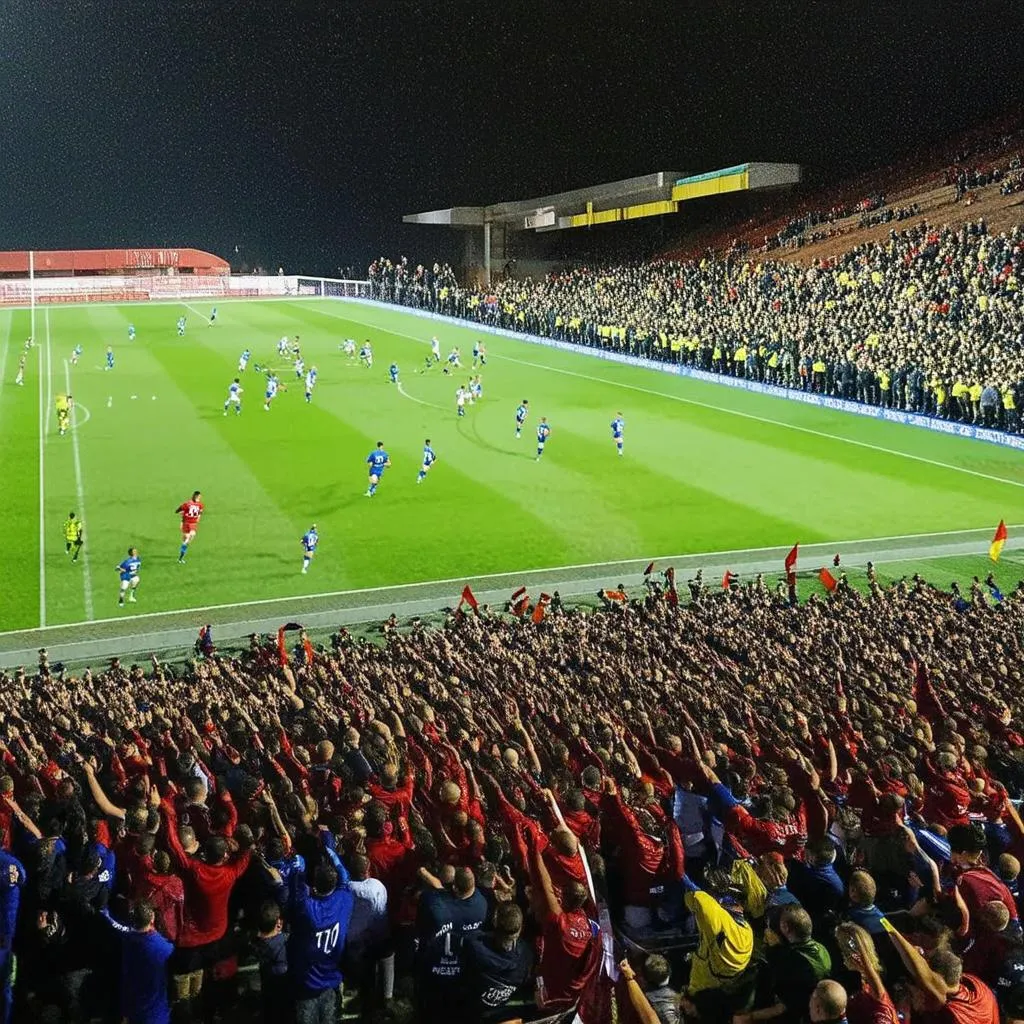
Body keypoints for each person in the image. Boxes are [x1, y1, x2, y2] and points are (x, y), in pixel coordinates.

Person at [415, 865, 488, 1020]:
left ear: (454, 887)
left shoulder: (435, 904)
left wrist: (426, 875)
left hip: (435, 969)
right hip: (464, 969)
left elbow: (434, 897)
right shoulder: (481, 903)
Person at [288, 863, 355, 1024]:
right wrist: (336, 860)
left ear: (315, 884)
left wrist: (298, 873)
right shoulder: (345, 899)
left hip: (308, 981)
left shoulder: (308, 908)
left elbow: (295, 897)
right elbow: (345, 879)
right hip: (332, 977)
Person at [460, 902, 533, 1023]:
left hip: (473, 1011)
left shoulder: (475, 946)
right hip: (502, 1010)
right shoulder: (526, 955)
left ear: (494, 923)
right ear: (520, 929)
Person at [112, 899, 175, 1024]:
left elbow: (126, 981)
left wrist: (124, 1013)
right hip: (157, 1012)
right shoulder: (166, 948)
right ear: (152, 919)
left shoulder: (127, 943)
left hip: (135, 1010)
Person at [175, 490, 204, 564]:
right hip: (186, 523)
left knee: (190, 536)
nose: (200, 497)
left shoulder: (199, 504)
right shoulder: (188, 504)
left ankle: (181, 556)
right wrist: (181, 513)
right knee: (186, 539)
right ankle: (180, 558)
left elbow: (200, 513)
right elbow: (178, 510)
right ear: (197, 496)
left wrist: (198, 518)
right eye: (200, 496)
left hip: (192, 523)